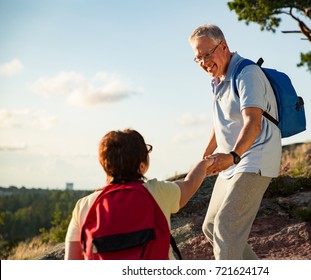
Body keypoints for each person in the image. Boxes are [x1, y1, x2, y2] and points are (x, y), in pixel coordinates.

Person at [188, 24, 282, 259]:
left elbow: (253, 123)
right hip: (233, 161)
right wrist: (206, 155)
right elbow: (221, 121)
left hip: (253, 158)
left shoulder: (246, 73)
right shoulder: (218, 80)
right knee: (211, 228)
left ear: (224, 46)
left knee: (226, 229)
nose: (203, 62)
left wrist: (232, 156)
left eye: (207, 54)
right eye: (198, 57)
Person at [64, 128, 213, 260]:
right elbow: (190, 184)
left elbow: (71, 263)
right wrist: (205, 164)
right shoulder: (157, 192)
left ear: (103, 163)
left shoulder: (84, 206)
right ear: (142, 165)